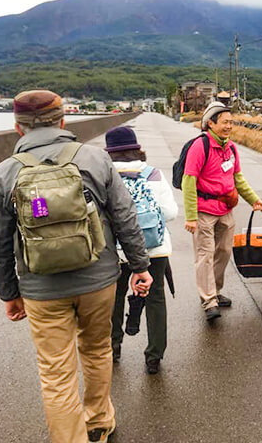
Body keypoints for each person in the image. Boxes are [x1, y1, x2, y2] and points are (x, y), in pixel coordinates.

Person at [0, 90, 152, 443]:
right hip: (99, 280)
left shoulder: (4, 172)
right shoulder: (94, 158)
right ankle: (99, 421)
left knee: (56, 374)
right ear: (62, 122)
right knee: (96, 349)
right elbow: (124, 217)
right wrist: (140, 265)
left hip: (40, 289)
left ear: (18, 128)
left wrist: (9, 293)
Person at [182, 101, 262, 321]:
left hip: (226, 208)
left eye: (231, 122)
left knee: (224, 252)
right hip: (204, 210)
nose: (229, 126)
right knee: (205, 255)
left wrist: (253, 199)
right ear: (210, 123)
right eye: (225, 122)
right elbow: (189, 181)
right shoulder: (200, 146)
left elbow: (237, 178)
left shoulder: (231, 147)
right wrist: (190, 216)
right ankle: (208, 300)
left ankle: (216, 291)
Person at [105, 126, 178, 375]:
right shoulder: (153, 173)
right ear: (136, 149)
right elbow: (171, 212)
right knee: (155, 297)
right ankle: (154, 356)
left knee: (114, 297)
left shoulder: (104, 175)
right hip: (154, 249)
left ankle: (113, 347)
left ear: (109, 152)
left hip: (116, 250)